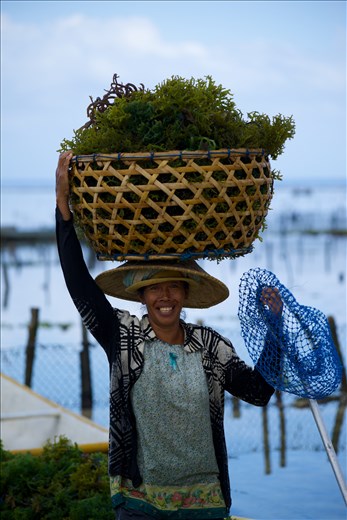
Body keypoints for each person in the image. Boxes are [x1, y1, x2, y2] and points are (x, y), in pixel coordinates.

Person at [55, 151, 282, 520]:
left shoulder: (210, 348)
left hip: (204, 503)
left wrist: (275, 329)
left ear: (186, 293)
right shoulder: (124, 336)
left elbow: (258, 391)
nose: (165, 297)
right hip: (138, 501)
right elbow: (78, 284)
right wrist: (63, 208)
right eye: (154, 288)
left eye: (174, 287)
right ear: (141, 296)